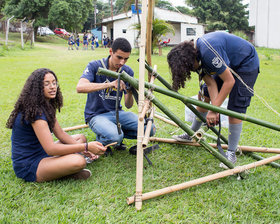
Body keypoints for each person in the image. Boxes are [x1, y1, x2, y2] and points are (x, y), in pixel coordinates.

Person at [167, 31, 259, 166]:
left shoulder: (208, 53)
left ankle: (231, 153)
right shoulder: (195, 56)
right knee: (206, 95)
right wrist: (213, 109)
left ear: (190, 60)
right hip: (229, 64)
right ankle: (191, 133)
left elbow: (229, 81)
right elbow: (211, 84)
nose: (192, 71)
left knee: (235, 107)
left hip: (246, 62)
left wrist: (214, 110)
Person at [6, 68, 107, 182]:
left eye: (54, 83)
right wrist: (85, 147)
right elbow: (51, 149)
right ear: (37, 88)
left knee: (80, 138)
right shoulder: (35, 112)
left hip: (42, 152)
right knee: (78, 161)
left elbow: (61, 134)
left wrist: (84, 149)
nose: (53, 87)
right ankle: (65, 171)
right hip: (29, 164)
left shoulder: (46, 105)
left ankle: (62, 168)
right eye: (47, 84)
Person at [76, 37, 156, 152]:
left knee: (149, 128)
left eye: (126, 59)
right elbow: (80, 87)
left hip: (118, 114)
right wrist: (109, 85)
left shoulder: (127, 72)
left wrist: (129, 91)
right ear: (110, 52)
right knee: (115, 136)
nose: (122, 62)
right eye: (119, 57)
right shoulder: (95, 65)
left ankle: (115, 136)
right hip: (96, 115)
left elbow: (128, 105)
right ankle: (108, 139)